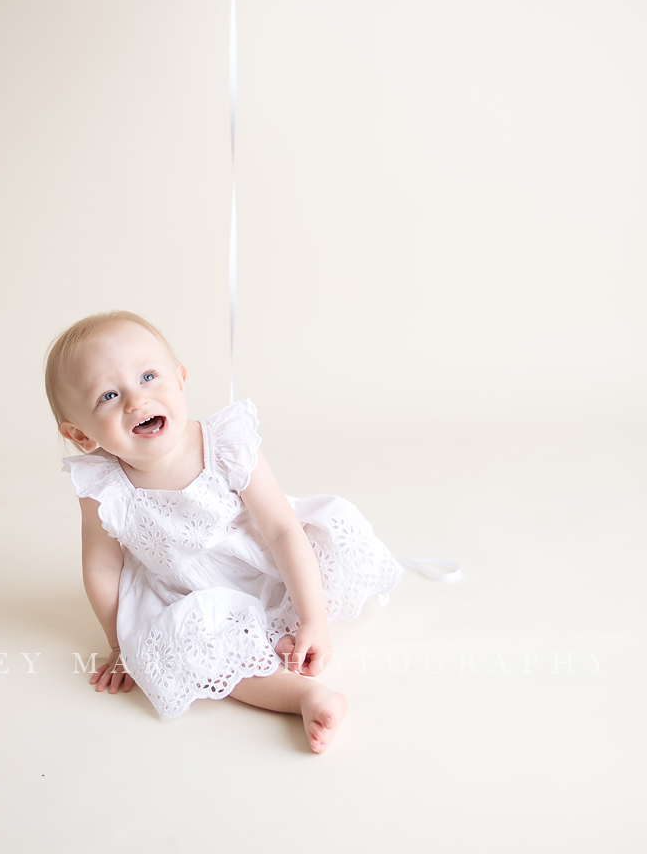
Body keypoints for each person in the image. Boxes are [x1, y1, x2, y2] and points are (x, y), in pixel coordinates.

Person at [45, 310, 404, 754]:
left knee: (327, 543)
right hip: (184, 591)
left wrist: (314, 618)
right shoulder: (103, 487)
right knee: (195, 643)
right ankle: (304, 696)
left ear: (180, 379)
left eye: (149, 376)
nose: (136, 401)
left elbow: (281, 531)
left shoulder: (226, 445)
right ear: (79, 434)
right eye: (108, 395)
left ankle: (297, 623)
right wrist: (121, 644)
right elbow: (101, 567)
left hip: (265, 561)